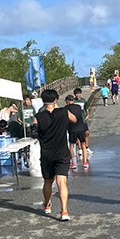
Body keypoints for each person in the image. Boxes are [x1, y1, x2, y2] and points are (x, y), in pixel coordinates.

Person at [34, 89, 77, 221]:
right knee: (61, 182)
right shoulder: (64, 112)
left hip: (47, 154)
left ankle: (47, 204)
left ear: (42, 101)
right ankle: (64, 212)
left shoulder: (38, 117)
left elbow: (34, 132)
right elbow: (74, 119)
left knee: (48, 181)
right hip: (62, 153)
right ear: (56, 99)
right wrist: (59, 109)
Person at [65, 94, 88, 169]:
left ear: (67, 101)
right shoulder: (78, 107)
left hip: (72, 129)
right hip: (81, 128)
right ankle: (85, 162)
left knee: (72, 146)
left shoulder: (66, 108)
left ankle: (73, 163)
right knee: (83, 144)